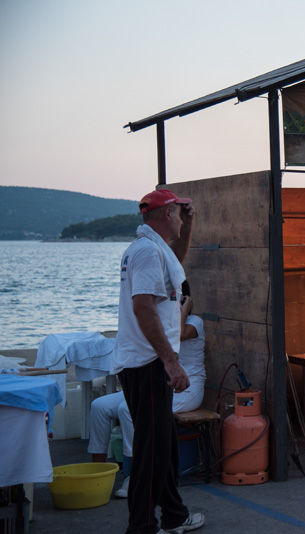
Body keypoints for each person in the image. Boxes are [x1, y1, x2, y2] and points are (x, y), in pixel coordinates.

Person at [108, 189, 205, 534]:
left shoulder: (153, 249)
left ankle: (175, 515)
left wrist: (189, 225)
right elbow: (143, 306)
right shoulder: (148, 252)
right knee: (152, 452)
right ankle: (142, 526)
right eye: (179, 213)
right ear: (166, 215)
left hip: (146, 363)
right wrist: (170, 361)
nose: (181, 218)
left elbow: (175, 264)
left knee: (161, 445)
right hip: (149, 364)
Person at [88, 294, 205, 499]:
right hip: (164, 383)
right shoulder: (160, 325)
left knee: (126, 409)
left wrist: (184, 310)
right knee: (99, 406)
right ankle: (95, 474)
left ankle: (134, 475)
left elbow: (177, 334)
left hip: (188, 388)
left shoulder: (195, 322)